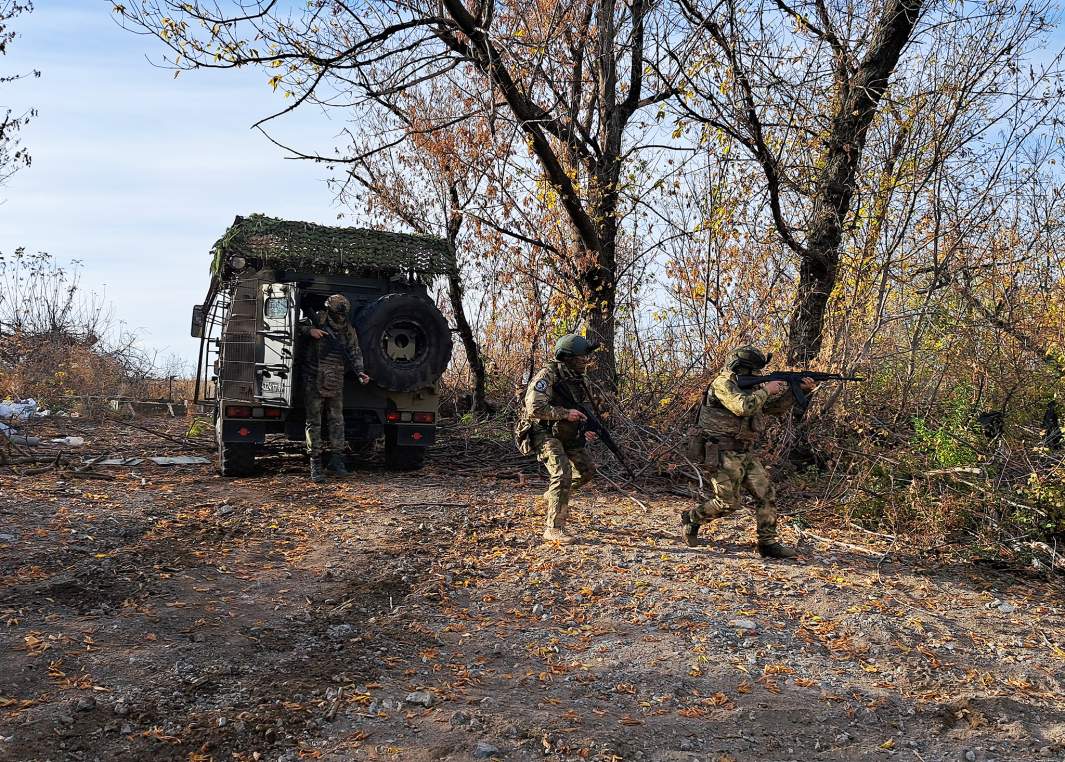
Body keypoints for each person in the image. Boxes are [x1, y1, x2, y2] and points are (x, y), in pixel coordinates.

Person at [680, 345, 814, 558]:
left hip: (744, 451)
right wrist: (766, 389)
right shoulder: (723, 383)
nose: (756, 375)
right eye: (752, 370)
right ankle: (693, 518)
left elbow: (773, 408)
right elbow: (742, 407)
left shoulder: (751, 387)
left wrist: (798, 390)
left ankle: (768, 544)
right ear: (739, 367)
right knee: (728, 503)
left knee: (766, 493)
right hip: (720, 450)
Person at [515, 334, 600, 543]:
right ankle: (553, 528)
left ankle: (554, 494)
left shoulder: (579, 378)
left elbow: (581, 408)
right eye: (582, 357)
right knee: (563, 473)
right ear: (568, 358)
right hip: (541, 431)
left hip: (566, 431)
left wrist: (585, 427)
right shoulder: (547, 376)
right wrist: (565, 414)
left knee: (587, 471)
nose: (586, 361)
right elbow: (534, 408)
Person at [299, 294, 369, 483]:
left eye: (342, 314)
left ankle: (337, 460)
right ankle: (315, 463)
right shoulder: (318, 319)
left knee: (337, 420)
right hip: (313, 376)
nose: (340, 318)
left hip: (335, 377)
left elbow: (354, 352)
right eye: (337, 313)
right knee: (314, 422)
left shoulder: (348, 329)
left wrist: (360, 372)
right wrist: (309, 331)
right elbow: (296, 328)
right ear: (329, 310)